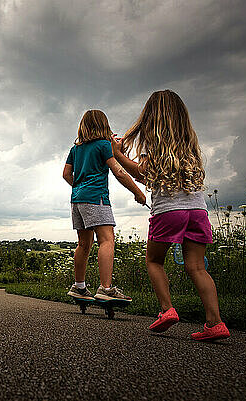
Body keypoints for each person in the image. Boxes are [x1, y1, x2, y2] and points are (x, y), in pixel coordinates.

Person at [111, 89, 230, 341]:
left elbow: (142, 174)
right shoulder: (190, 146)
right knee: (197, 267)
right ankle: (215, 322)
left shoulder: (154, 144)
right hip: (198, 211)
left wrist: (119, 154)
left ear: (151, 117)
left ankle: (167, 310)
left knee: (154, 261)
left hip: (168, 211)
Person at [63, 110, 146, 302]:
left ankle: (79, 287)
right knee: (107, 240)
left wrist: (80, 187)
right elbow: (119, 171)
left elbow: (66, 174)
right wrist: (138, 192)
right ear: (104, 125)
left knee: (84, 244)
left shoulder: (75, 149)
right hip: (96, 198)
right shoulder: (103, 145)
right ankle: (106, 288)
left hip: (77, 200)